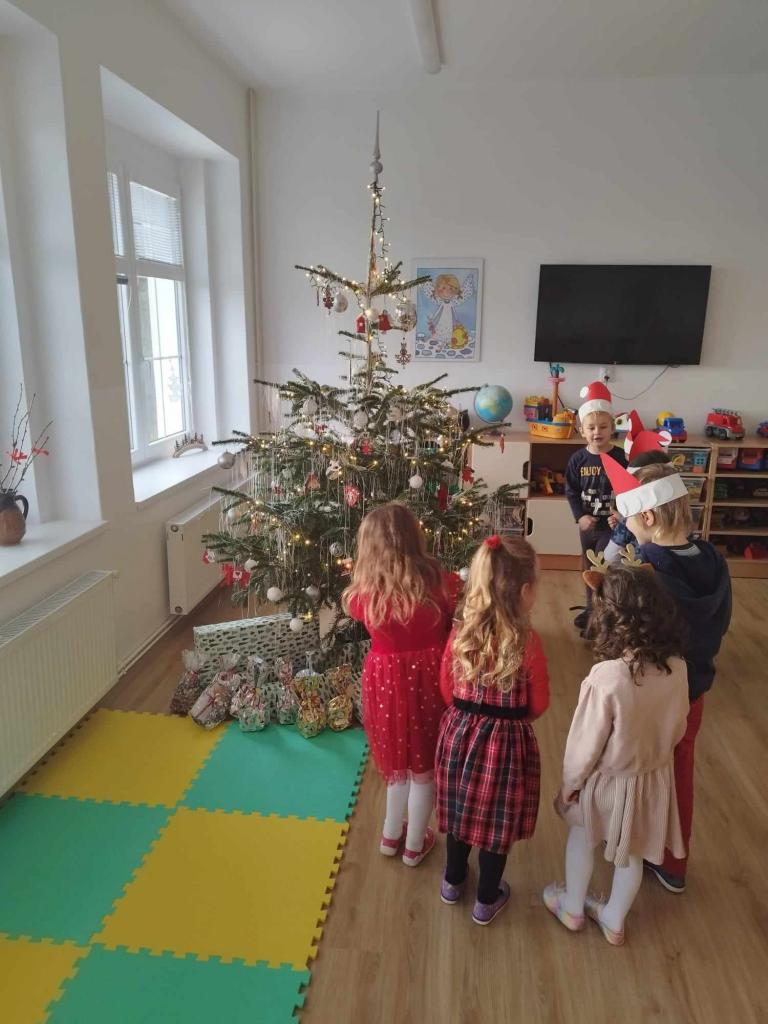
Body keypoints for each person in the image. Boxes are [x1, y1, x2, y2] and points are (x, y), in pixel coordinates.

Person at [543, 563, 690, 946]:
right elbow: (679, 728)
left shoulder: (607, 677)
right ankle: (613, 919)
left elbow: (584, 745)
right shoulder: (678, 669)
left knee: (582, 837)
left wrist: (570, 785)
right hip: (651, 780)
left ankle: (573, 908)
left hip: (604, 782)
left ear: (608, 618)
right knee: (632, 854)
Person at [604, 459, 732, 892]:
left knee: (634, 769)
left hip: (650, 693)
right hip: (694, 689)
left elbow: (629, 635)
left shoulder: (646, 569)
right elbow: (721, 622)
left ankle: (629, 847)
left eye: (628, 520)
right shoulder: (713, 559)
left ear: (648, 517)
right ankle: (674, 863)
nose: (626, 529)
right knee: (679, 770)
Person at [435, 535, 549, 926]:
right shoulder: (528, 642)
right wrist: (509, 722)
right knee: (497, 824)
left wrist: (468, 719)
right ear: (525, 590)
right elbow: (539, 702)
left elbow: (446, 688)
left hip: (458, 737)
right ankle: (486, 899)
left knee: (459, 811)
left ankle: (452, 881)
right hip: (506, 745)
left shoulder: (460, 633)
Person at [344, 503, 460, 866]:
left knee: (398, 765)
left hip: (385, 685)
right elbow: (455, 617)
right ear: (415, 537)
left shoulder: (364, 593)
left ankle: (390, 835)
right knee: (423, 769)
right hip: (430, 681)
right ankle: (413, 845)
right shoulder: (441, 582)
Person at [565, 381, 627, 630]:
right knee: (589, 568)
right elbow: (571, 491)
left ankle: (602, 615)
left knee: (603, 568)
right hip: (588, 526)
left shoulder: (621, 458)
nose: (597, 432)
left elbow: (629, 491)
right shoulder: (578, 460)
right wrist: (580, 517)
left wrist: (620, 514)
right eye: (591, 427)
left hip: (611, 527)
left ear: (612, 428)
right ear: (582, 430)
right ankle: (591, 608)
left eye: (603, 427)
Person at [604, 413, 673, 564]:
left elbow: (610, 557)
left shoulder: (631, 519)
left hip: (635, 571)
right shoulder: (679, 517)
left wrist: (623, 522)